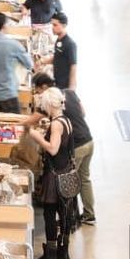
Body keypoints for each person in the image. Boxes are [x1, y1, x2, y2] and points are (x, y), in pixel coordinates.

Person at [33, 73, 95, 225]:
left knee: (68, 182)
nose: (40, 96)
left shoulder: (53, 102)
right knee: (84, 178)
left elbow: (53, 148)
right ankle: (89, 215)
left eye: (38, 91)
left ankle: (70, 218)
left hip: (78, 145)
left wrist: (38, 134)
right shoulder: (69, 93)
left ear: (45, 87)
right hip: (88, 139)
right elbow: (83, 113)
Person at [30, 87, 76, 259]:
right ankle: (63, 251)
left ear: (49, 104)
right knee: (64, 213)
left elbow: (53, 149)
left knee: (50, 214)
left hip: (54, 175)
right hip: (67, 174)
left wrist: (37, 137)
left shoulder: (56, 124)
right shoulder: (67, 121)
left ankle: (50, 257)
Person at [35, 12, 78, 90]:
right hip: (57, 81)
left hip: (64, 86)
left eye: (55, 25)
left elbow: (73, 67)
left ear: (64, 25)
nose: (52, 28)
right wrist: (42, 61)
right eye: (52, 25)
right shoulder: (58, 40)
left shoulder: (70, 44)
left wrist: (71, 90)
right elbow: (57, 57)